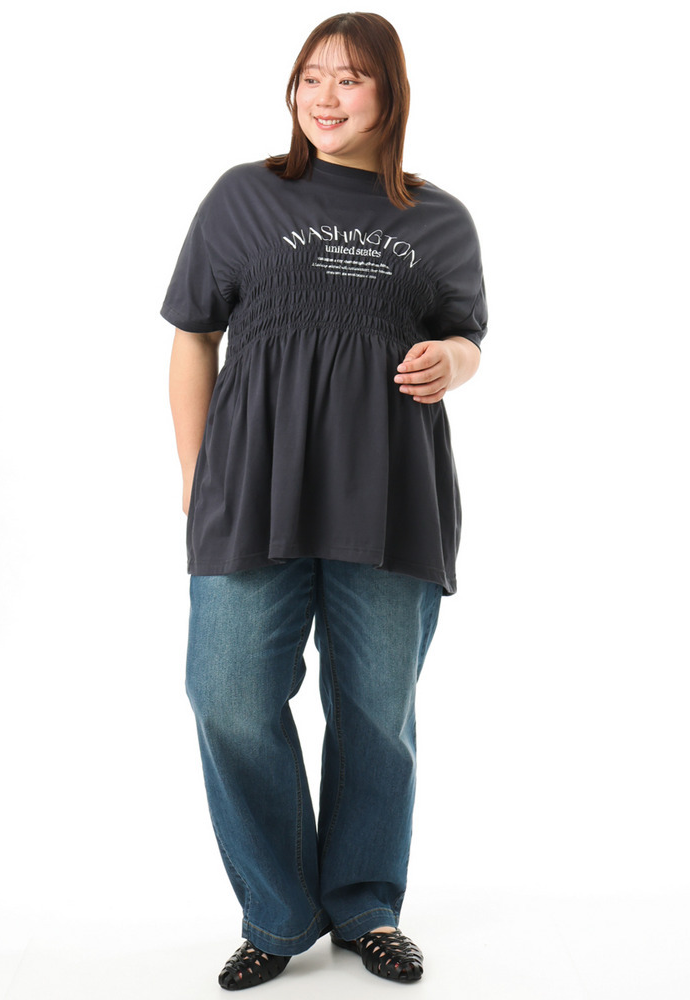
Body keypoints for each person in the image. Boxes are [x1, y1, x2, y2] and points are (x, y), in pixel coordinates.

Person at [163, 12, 487, 990]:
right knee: (226, 696)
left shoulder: (438, 218)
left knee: (376, 713)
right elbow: (192, 336)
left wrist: (452, 360)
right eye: (310, 78)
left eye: (349, 79)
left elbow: (467, 337)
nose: (325, 97)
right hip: (248, 490)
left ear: (390, 93)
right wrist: (196, 479)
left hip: (391, 498)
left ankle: (364, 906)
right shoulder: (244, 195)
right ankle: (279, 911)